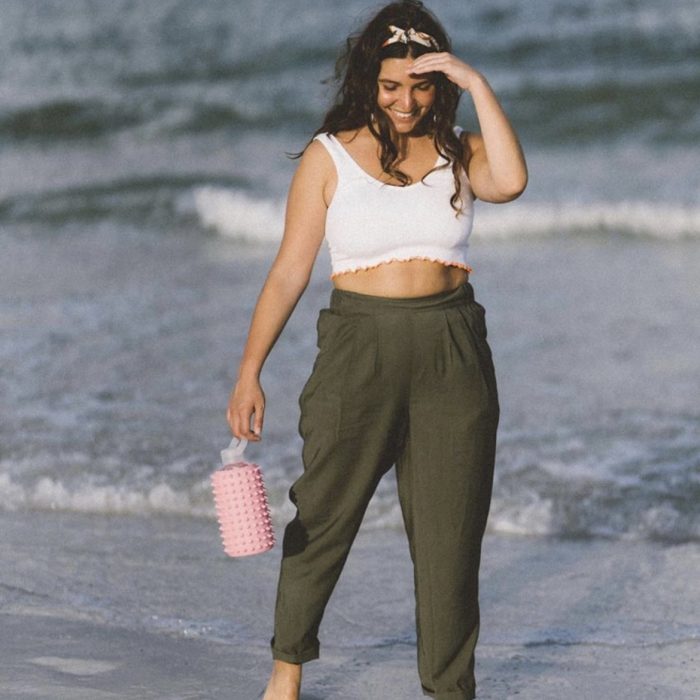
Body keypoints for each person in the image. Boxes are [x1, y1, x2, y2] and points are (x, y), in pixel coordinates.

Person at [227, 1, 527, 698]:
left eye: (421, 85)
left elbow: (510, 181)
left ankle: (450, 689)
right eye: (391, 85)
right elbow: (288, 272)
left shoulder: (460, 147)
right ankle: (286, 672)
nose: (405, 101)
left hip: (453, 348)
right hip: (357, 349)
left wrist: (477, 85)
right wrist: (249, 372)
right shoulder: (327, 157)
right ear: (368, 80)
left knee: (451, 541)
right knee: (325, 515)